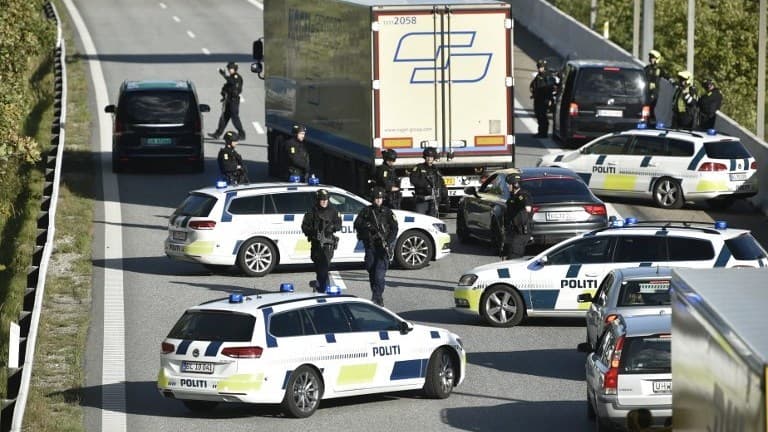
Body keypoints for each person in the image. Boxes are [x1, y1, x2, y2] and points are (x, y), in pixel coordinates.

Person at [354, 187, 398, 306]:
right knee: (371, 271)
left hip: (383, 248)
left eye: (380, 198)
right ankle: (377, 295)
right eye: (376, 198)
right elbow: (357, 223)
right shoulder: (366, 211)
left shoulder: (387, 212)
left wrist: (388, 242)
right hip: (371, 246)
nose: (378, 201)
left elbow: (394, 228)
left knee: (379, 274)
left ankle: (376, 298)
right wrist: (367, 225)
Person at [301, 189, 341, 292]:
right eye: (322, 199)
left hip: (328, 245)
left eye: (326, 199)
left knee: (324, 268)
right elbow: (304, 227)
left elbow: (339, 225)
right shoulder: (311, 212)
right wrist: (314, 232)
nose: (324, 201)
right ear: (317, 200)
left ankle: (323, 289)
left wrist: (332, 227)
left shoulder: (333, 211)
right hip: (316, 244)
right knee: (320, 269)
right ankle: (319, 287)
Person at [208, 61, 246, 140]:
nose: (229, 70)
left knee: (235, 118)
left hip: (233, 101)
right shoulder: (231, 77)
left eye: (231, 68)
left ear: (235, 69)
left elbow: (232, 82)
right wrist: (223, 94)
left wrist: (224, 75)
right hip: (228, 100)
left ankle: (242, 134)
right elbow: (226, 87)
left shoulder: (236, 77)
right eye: (229, 68)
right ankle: (217, 133)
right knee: (224, 117)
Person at [409, 147, 446, 217]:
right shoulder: (419, 167)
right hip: (422, 199)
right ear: (424, 157)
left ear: (434, 158)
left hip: (433, 200)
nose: (429, 159)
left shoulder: (435, 169)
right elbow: (413, 180)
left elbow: (441, 183)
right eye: (427, 157)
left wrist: (445, 198)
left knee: (433, 221)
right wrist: (426, 185)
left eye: (431, 157)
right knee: (421, 220)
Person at [503, 173, 532, 259]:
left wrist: (526, 205)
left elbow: (526, 204)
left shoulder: (522, 195)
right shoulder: (512, 197)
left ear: (515, 184)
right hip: (513, 232)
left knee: (514, 258)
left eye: (508, 184)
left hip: (521, 233)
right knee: (508, 256)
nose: (507, 186)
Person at [530, 59, 556, 138]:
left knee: (542, 116)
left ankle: (543, 133)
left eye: (541, 67)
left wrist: (549, 100)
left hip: (544, 100)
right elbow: (534, 85)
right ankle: (540, 131)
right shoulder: (539, 76)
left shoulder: (547, 76)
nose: (540, 68)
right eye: (539, 67)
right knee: (538, 115)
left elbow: (549, 89)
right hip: (538, 99)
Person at [644, 49, 667, 124]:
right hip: (647, 93)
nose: (651, 59)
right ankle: (646, 121)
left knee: (655, 109)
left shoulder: (660, 70)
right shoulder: (646, 69)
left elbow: (667, 77)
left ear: (657, 59)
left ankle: (655, 122)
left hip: (656, 95)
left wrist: (672, 81)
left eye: (653, 57)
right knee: (646, 109)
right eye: (650, 57)